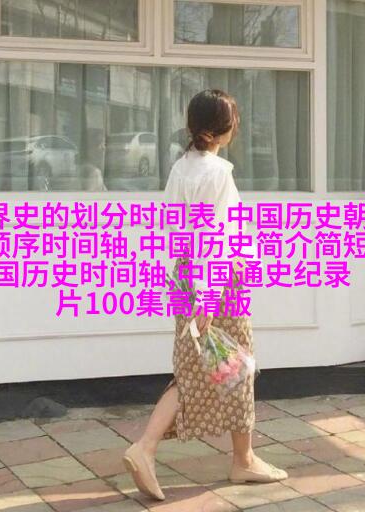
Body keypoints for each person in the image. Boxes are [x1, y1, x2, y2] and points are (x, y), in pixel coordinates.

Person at [122, 89, 288, 501]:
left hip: (186, 276)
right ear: (220, 129)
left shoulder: (181, 168)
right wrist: (209, 296)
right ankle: (163, 449)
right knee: (236, 364)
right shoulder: (217, 173)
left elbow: (171, 229)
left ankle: (237, 456)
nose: (238, 126)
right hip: (217, 282)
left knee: (202, 368)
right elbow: (215, 237)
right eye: (234, 120)